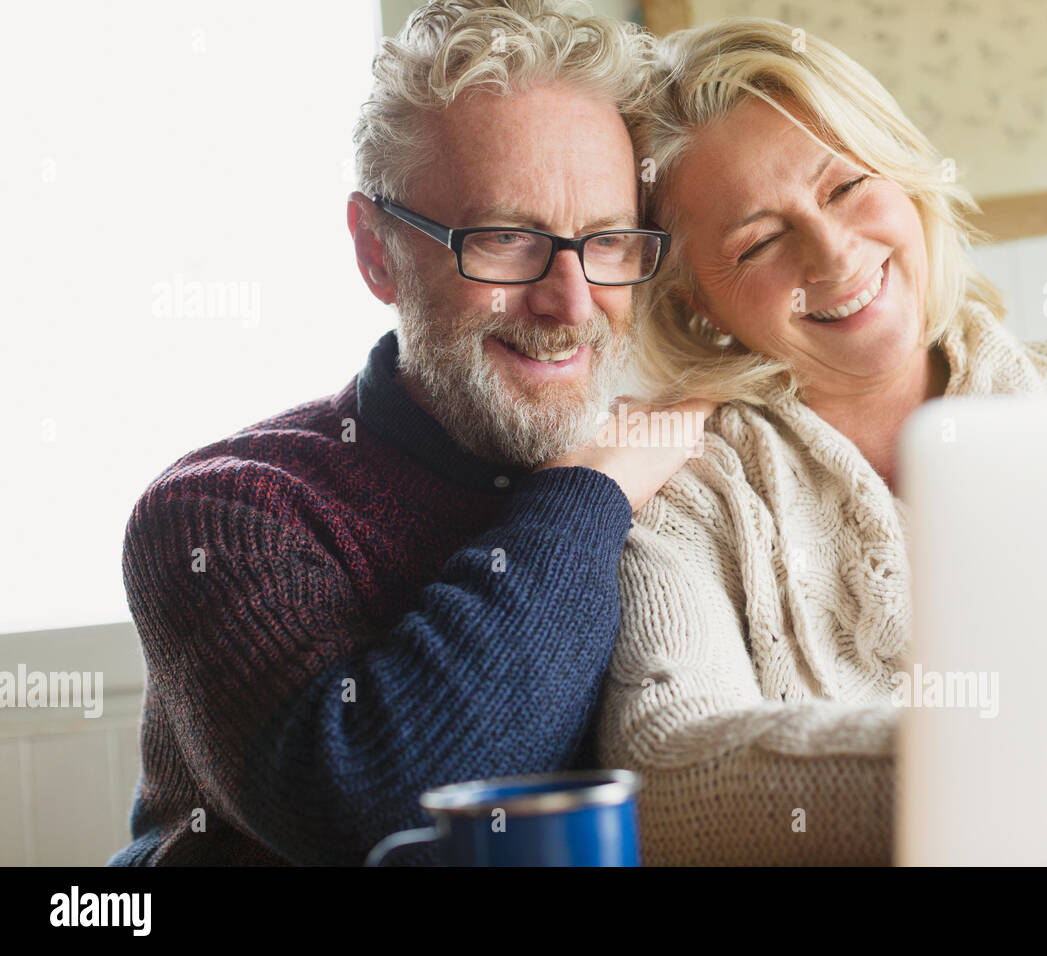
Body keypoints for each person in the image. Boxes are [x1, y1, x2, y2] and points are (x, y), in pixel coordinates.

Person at [108, 0, 709, 866]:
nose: (573, 305)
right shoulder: (218, 512)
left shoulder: (681, 471)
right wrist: (590, 492)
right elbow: (382, 809)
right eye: (507, 240)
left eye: (608, 242)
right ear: (377, 250)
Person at [595, 18, 1047, 865]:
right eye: (761, 241)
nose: (834, 253)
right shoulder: (685, 489)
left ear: (903, 172)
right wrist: (1037, 760)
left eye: (845, 187)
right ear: (696, 299)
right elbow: (667, 769)